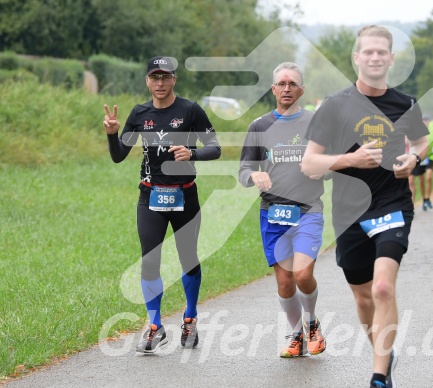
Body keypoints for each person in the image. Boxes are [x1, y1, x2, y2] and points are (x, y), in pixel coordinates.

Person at [301, 26, 429, 388]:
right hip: (349, 212)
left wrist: (414, 159)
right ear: (356, 58)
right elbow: (309, 165)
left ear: (390, 58)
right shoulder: (334, 105)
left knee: (383, 288)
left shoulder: (405, 104)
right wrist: (351, 160)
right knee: (362, 296)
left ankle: (377, 376)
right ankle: (385, 356)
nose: (375, 57)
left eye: (381, 52)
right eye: (368, 52)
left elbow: (422, 141)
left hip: (393, 203)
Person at [102, 56, 221, 353]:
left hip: (184, 195)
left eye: (165, 77)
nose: (160, 83)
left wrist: (192, 155)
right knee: (150, 261)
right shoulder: (139, 113)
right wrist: (112, 133)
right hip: (150, 196)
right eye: (154, 77)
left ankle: (190, 317)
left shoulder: (191, 110)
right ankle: (154, 325)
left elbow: (215, 148)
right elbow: (118, 155)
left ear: (173, 80)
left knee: (188, 258)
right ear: (147, 81)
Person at [239, 62, 326, 358]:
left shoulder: (316, 123)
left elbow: (331, 164)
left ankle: (312, 323)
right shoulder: (260, 126)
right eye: (281, 83)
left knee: (302, 274)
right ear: (273, 89)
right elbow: (244, 167)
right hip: (273, 213)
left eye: (292, 84)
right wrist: (254, 176)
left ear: (302, 90)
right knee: (285, 281)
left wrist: (322, 170)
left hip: (308, 210)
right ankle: (296, 335)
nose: (286, 88)